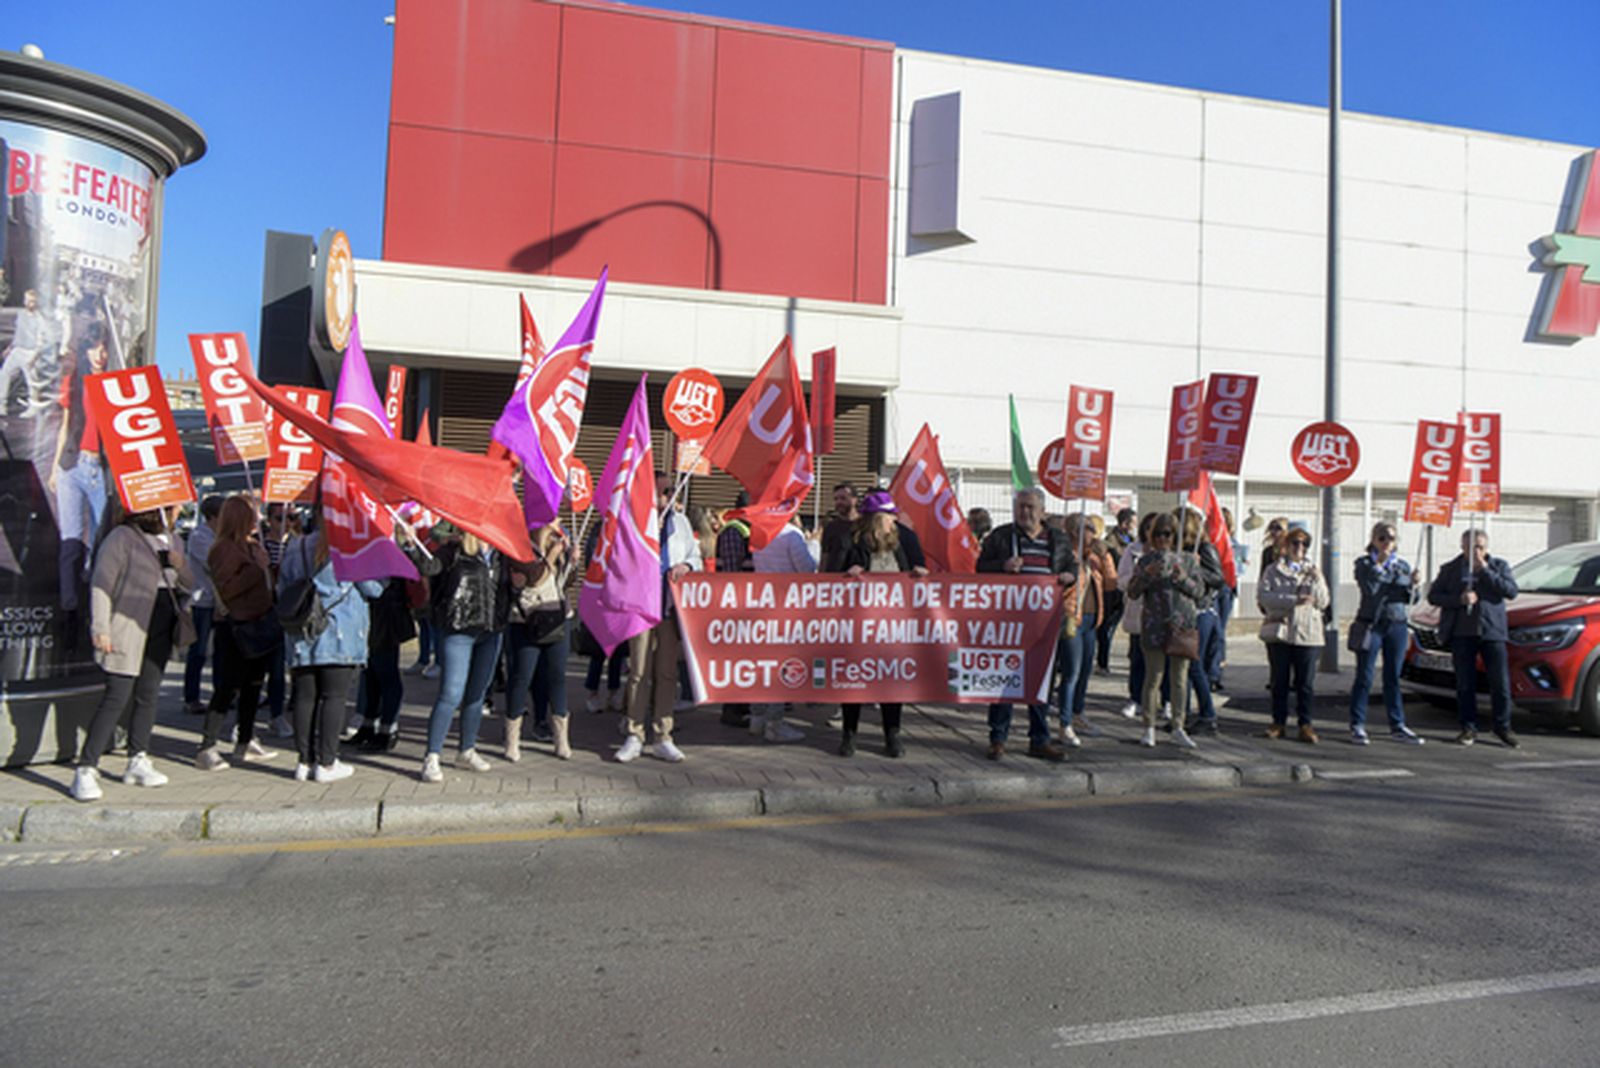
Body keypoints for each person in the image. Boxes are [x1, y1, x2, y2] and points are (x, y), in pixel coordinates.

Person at [72, 506, 195, 801]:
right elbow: (102, 585)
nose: (178, 511)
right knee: (117, 695)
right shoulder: (122, 538)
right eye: (173, 507)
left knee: (148, 693)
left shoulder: (173, 539)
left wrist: (180, 565)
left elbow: (191, 584)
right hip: (127, 625)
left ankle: (138, 756)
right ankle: (86, 767)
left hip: (161, 623)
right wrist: (101, 627)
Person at [976, 487, 1077, 762]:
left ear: (1042, 510)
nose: (1025, 512)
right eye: (1020, 506)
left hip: (1043, 625)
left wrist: (1069, 576)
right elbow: (980, 568)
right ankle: (998, 738)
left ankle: (1039, 739)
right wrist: (1002, 566)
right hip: (1008, 623)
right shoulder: (1002, 536)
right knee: (1003, 681)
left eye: (1031, 507)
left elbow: (1071, 566)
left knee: (1041, 680)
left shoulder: (1057, 538)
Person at [277, 525, 384, 782]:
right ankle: (327, 762)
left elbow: (282, 588)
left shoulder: (296, 546)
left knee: (304, 698)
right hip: (340, 632)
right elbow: (374, 589)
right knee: (334, 697)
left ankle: (304, 761)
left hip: (302, 632)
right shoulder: (350, 549)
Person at [617, 472, 703, 763]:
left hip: (668, 610)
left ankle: (663, 734)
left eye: (670, 491)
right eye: (663, 491)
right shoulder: (635, 521)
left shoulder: (680, 522)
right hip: (641, 608)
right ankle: (634, 733)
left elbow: (697, 557)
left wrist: (687, 565)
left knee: (666, 673)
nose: (668, 496)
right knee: (639, 672)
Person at [413, 527, 509, 781]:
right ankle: (432, 756)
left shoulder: (501, 552)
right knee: (451, 693)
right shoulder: (452, 551)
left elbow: (509, 587)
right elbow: (429, 567)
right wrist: (412, 546)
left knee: (477, 694)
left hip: (491, 631)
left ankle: (466, 750)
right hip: (459, 628)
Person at [835, 491, 925, 757]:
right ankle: (849, 734)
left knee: (892, 681)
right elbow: (831, 576)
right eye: (889, 516)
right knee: (855, 680)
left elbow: (920, 567)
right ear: (876, 519)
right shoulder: (850, 540)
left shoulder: (905, 538)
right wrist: (847, 574)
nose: (893, 521)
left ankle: (892, 735)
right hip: (859, 625)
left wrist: (920, 573)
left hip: (895, 625)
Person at [199, 496, 281, 769]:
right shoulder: (222, 549)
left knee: (253, 685)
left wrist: (269, 566)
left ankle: (245, 739)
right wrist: (255, 571)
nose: (256, 519)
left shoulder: (252, 546)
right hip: (235, 625)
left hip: (259, 619)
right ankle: (207, 745)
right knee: (227, 687)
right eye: (252, 515)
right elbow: (227, 588)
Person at [1428, 529, 1520, 747]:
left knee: (1500, 683)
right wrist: (1458, 599)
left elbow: (1511, 591)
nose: (1475, 552)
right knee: (1465, 683)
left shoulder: (1499, 566)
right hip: (1463, 632)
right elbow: (1434, 596)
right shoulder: (1451, 569)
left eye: (1479, 547)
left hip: (1491, 632)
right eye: (1470, 547)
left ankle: (1502, 726)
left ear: (1486, 548)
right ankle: (1468, 727)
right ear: (1462, 547)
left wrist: (1485, 570)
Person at [48, 320, 111, 630]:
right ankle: (69, 610)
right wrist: (54, 468)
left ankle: (89, 603)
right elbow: (66, 425)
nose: (99, 354)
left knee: (99, 541)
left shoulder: (114, 386)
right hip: (71, 465)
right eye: (94, 347)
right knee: (70, 541)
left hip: (98, 467)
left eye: (103, 348)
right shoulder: (77, 382)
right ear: (86, 350)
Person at [1127, 514, 1206, 749]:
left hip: (1182, 625)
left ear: (1176, 537)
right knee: (1153, 677)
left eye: (1168, 534)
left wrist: (1182, 578)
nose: (1163, 539)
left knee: (1180, 679)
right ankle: (1148, 727)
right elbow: (1132, 592)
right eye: (1159, 534)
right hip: (1154, 625)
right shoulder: (1145, 560)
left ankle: (1178, 726)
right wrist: (1146, 574)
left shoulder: (1189, 560)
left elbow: (1200, 592)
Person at [503, 524, 575, 761]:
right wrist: (550, 556)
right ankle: (512, 739)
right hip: (526, 621)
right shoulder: (519, 549)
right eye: (552, 522)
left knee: (557, 676)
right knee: (522, 677)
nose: (558, 525)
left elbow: (565, 582)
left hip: (556, 618)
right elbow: (532, 579)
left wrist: (571, 561)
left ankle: (561, 738)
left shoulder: (558, 548)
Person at [1348, 521, 1424, 745]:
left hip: (1396, 624)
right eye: (1381, 538)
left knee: (1393, 676)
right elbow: (1371, 590)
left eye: (1390, 538)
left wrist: (1414, 586)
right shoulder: (1364, 564)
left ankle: (1397, 724)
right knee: (1365, 676)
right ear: (1373, 540)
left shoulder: (1402, 566)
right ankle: (1357, 723)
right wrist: (1384, 572)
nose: (1386, 542)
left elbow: (1410, 599)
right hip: (1372, 624)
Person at [1257, 525, 1330, 743]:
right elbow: (1264, 597)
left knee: (1305, 683)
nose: (1300, 547)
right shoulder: (1273, 570)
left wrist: (1317, 580)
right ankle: (1278, 722)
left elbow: (1324, 602)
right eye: (1296, 543)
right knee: (1279, 681)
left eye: (1304, 544)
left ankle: (1305, 724)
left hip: (1308, 634)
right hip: (1282, 632)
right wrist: (1292, 601)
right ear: (1286, 546)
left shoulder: (1313, 571)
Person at [749, 515, 818, 743]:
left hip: (762, 602)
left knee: (763, 663)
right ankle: (774, 723)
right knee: (780, 664)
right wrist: (813, 545)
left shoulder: (760, 531)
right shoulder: (791, 534)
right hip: (787, 604)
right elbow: (806, 569)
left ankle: (757, 717)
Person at [1056, 512, 1117, 746]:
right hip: (1073, 619)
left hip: (1092, 619)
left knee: (1084, 671)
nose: (1094, 532)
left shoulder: (1094, 556)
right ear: (1075, 532)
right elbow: (1067, 590)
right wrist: (1076, 568)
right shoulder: (1067, 556)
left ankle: (1078, 713)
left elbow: (1111, 584)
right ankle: (1065, 722)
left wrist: (1106, 559)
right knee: (1071, 672)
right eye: (1089, 527)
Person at [354, 567, 416, 752]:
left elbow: (375, 588)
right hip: (376, 614)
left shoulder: (385, 546)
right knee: (371, 674)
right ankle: (368, 725)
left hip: (386, 616)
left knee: (386, 673)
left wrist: (353, 574)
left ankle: (388, 729)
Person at [1179, 510, 1226, 736]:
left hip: (1201, 611)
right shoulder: (1180, 550)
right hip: (1184, 612)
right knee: (1183, 667)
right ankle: (1183, 714)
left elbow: (1218, 578)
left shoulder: (1204, 548)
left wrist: (1196, 568)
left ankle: (1208, 715)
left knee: (1195, 666)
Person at [1115, 512, 1160, 719]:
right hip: (1139, 610)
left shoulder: (1168, 553)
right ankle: (1135, 698)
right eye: (1149, 527)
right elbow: (1121, 579)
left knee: (1162, 661)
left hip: (1161, 613)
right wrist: (1136, 579)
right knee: (1137, 658)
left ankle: (1165, 700)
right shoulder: (1132, 551)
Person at [715, 498, 754, 729]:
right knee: (735, 658)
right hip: (736, 605)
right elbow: (731, 573)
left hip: (749, 604)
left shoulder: (748, 530)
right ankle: (731, 710)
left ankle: (742, 706)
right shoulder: (734, 531)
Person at [182, 494, 223, 714]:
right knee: (198, 651)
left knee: (221, 652)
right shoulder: (200, 536)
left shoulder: (222, 536)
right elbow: (214, 563)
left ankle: (220, 694)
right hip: (203, 600)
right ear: (213, 517)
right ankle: (191, 697)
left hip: (221, 601)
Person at [1095, 509, 1134, 672]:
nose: (1135, 526)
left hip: (1125, 589)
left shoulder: (1131, 540)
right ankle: (1102, 662)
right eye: (1133, 522)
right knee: (1107, 628)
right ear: (1124, 523)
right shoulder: (1110, 542)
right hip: (1112, 589)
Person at [0, 288, 47, 415]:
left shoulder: (40, 319)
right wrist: (10, 348)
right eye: (27, 300)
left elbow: (41, 340)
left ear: (36, 302)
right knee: (4, 374)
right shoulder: (21, 314)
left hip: (30, 352)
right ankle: (1, 405)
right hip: (17, 350)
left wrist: (35, 356)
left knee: (31, 380)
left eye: (31, 301)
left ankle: (33, 407)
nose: (28, 303)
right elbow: (18, 334)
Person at [819, 481, 860, 573]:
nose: (839, 502)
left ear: (854, 499)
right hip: (834, 582)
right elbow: (825, 556)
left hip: (859, 582)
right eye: (836, 499)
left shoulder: (865, 525)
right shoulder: (830, 527)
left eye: (843, 498)